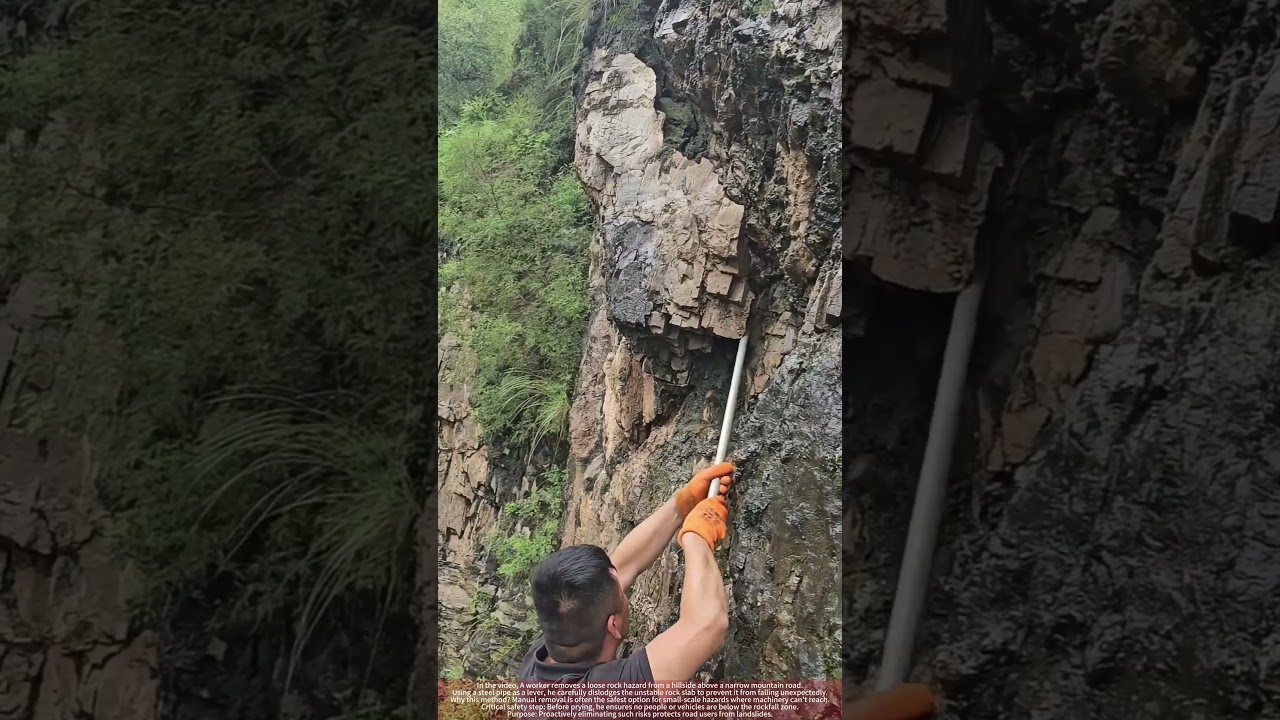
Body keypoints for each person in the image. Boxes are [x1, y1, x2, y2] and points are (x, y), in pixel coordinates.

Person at [515, 461, 734, 684]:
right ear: (614, 626)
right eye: (620, 593)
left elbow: (623, 566)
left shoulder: (544, 655)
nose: (621, 582)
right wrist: (696, 537)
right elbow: (707, 623)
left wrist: (681, 505)